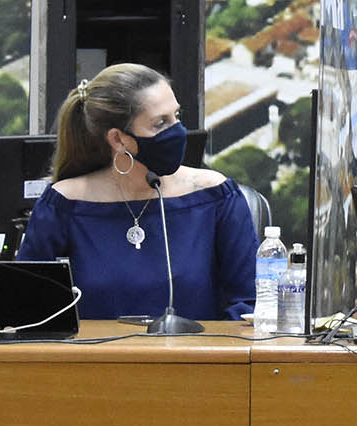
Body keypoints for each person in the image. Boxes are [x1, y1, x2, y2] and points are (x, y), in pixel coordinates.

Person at [17, 63, 259, 322]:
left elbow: (251, 305)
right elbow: (29, 310)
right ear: (119, 140)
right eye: (160, 123)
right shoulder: (63, 204)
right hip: (93, 359)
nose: (177, 131)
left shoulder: (217, 196)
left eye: (176, 116)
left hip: (196, 359)